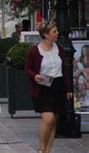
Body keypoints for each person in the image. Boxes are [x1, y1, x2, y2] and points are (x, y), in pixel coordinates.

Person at [24, 21, 72, 153]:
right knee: (48, 118)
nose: (57, 34)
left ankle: (48, 150)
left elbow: (65, 70)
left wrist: (68, 89)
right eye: (54, 32)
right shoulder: (35, 50)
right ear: (46, 34)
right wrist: (34, 76)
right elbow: (27, 68)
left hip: (58, 86)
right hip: (42, 88)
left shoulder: (59, 49)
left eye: (56, 31)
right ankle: (41, 149)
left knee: (53, 122)